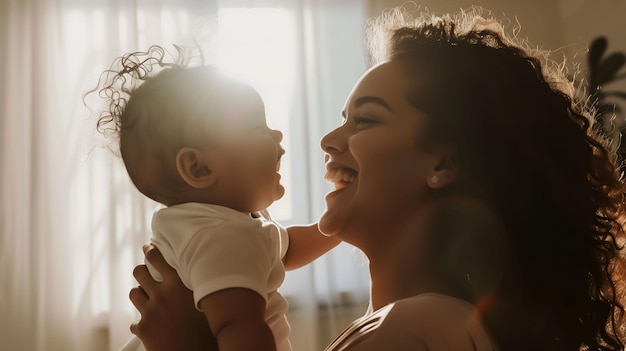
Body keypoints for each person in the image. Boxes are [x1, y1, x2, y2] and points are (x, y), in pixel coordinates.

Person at [126, 6, 626, 351]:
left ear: (442, 166)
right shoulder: (421, 324)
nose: (327, 140)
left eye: (364, 120)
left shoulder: (409, 331)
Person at [91, 46, 340, 351]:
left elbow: (284, 250)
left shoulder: (223, 223)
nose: (277, 134)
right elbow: (239, 328)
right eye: (256, 127)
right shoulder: (221, 236)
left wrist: (338, 225)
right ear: (199, 168)